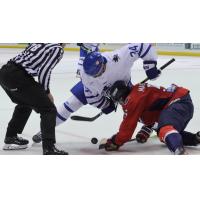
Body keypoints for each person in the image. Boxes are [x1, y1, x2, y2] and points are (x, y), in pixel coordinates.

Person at [32, 43, 161, 143]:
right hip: (98, 90)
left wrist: (150, 66)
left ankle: (154, 125)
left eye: (98, 73)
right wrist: (105, 105)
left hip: (123, 86)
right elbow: (91, 96)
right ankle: (46, 130)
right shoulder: (87, 76)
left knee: (134, 107)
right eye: (94, 75)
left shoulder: (119, 58)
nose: (96, 77)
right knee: (71, 103)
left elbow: (142, 46)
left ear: (104, 64)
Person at [0, 43, 68, 155]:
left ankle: (11, 137)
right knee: (48, 109)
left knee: (25, 103)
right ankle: (49, 148)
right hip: (17, 75)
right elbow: (44, 71)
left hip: (4, 72)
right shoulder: (57, 49)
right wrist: (46, 92)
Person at [99, 81, 200, 155]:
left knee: (165, 129)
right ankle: (195, 138)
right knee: (166, 136)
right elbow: (152, 112)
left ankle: (179, 152)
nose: (121, 104)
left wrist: (114, 142)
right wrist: (147, 129)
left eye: (119, 101)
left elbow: (127, 129)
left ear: (121, 97)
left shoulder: (132, 100)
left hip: (177, 102)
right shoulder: (136, 92)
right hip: (180, 102)